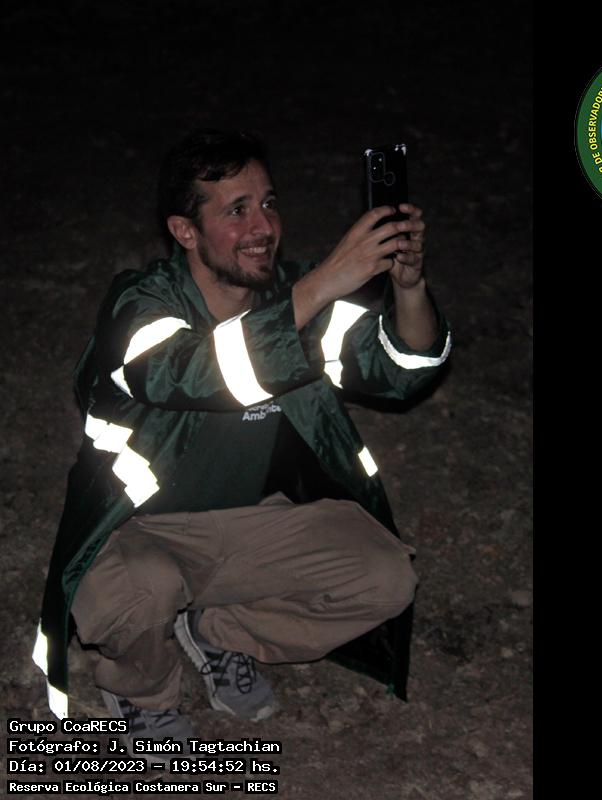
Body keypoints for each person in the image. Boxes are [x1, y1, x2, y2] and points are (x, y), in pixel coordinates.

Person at [34, 130, 451, 752]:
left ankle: (217, 633)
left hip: (255, 522)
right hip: (137, 529)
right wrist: (326, 282)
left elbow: (402, 369)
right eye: (237, 210)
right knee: (138, 594)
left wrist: (409, 286)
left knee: (385, 577)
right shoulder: (140, 303)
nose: (263, 227)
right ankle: (143, 693)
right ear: (185, 231)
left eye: (269, 204)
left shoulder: (295, 295)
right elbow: (194, 371)